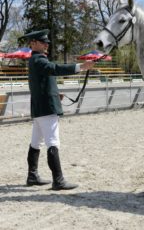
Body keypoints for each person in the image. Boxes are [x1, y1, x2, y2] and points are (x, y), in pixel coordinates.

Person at [20, 29, 95, 190]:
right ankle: (58, 180)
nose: (46, 44)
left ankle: (32, 176)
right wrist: (80, 67)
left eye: (46, 42)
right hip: (47, 108)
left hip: (41, 107)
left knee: (36, 142)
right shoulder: (39, 60)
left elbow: (43, 81)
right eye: (42, 42)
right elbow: (54, 69)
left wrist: (55, 93)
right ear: (33, 43)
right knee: (53, 142)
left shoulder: (37, 60)